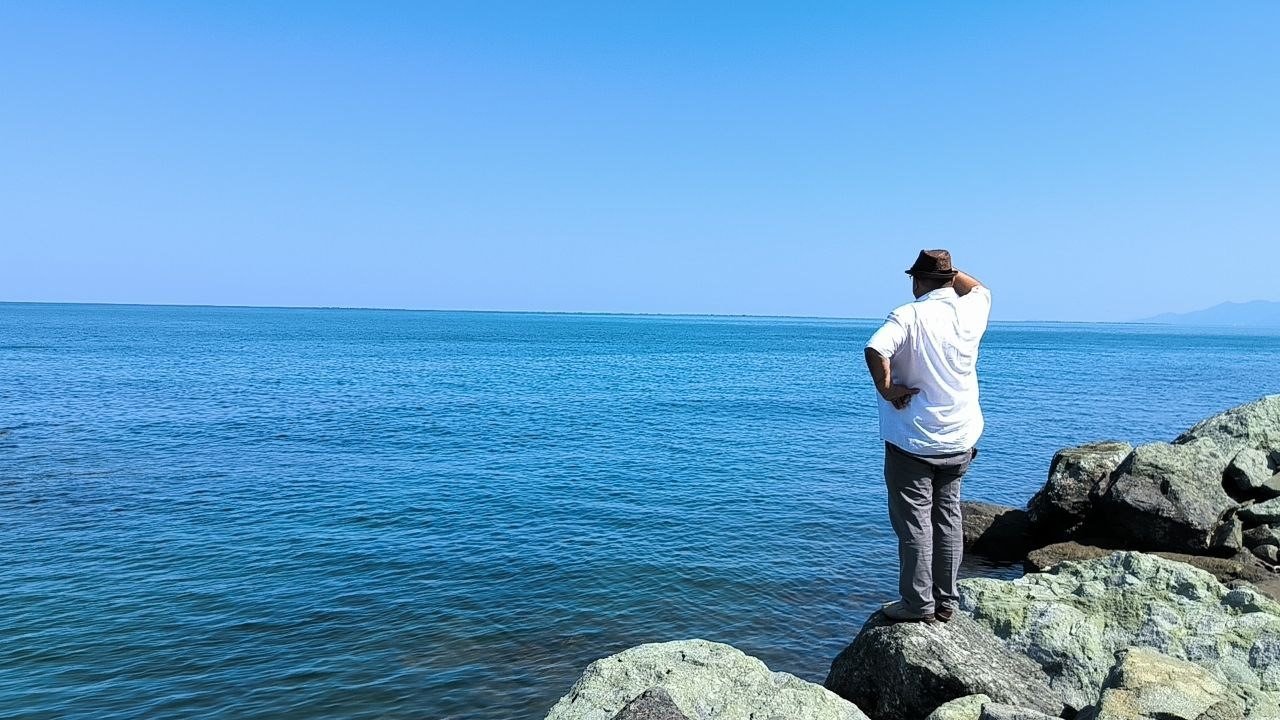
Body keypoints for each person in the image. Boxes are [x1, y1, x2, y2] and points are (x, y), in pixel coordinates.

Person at [863, 249, 991, 623]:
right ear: (951, 278)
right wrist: (948, 273)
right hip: (960, 438)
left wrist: (889, 390)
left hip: (914, 440)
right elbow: (978, 286)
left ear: (917, 281)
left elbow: (875, 348)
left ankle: (917, 605)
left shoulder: (909, 315)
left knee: (915, 525)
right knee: (948, 518)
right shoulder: (973, 308)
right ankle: (946, 601)